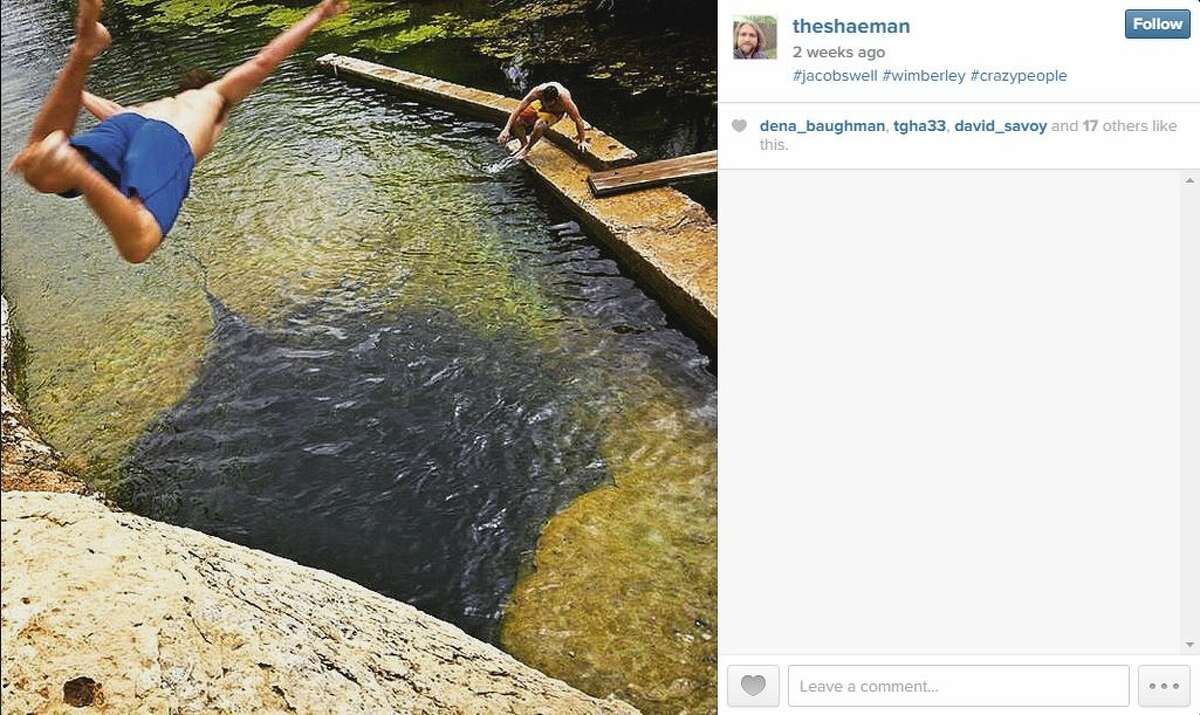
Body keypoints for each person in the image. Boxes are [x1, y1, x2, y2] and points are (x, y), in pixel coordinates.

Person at [8, 0, 349, 264]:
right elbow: (264, 61)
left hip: (126, 125)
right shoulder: (215, 98)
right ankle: (76, 169)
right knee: (139, 241)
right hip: (168, 140)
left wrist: (72, 85)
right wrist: (319, 14)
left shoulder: (154, 105)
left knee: (42, 168)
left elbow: (106, 108)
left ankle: (83, 51)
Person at [497, 82, 586, 161]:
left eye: (549, 104)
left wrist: (582, 140)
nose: (546, 105)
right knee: (517, 120)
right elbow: (518, 109)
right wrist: (506, 129)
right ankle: (523, 144)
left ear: (556, 99)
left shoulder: (565, 100)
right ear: (542, 96)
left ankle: (527, 149)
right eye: (544, 101)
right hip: (539, 106)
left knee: (539, 125)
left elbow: (578, 119)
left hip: (555, 112)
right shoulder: (537, 92)